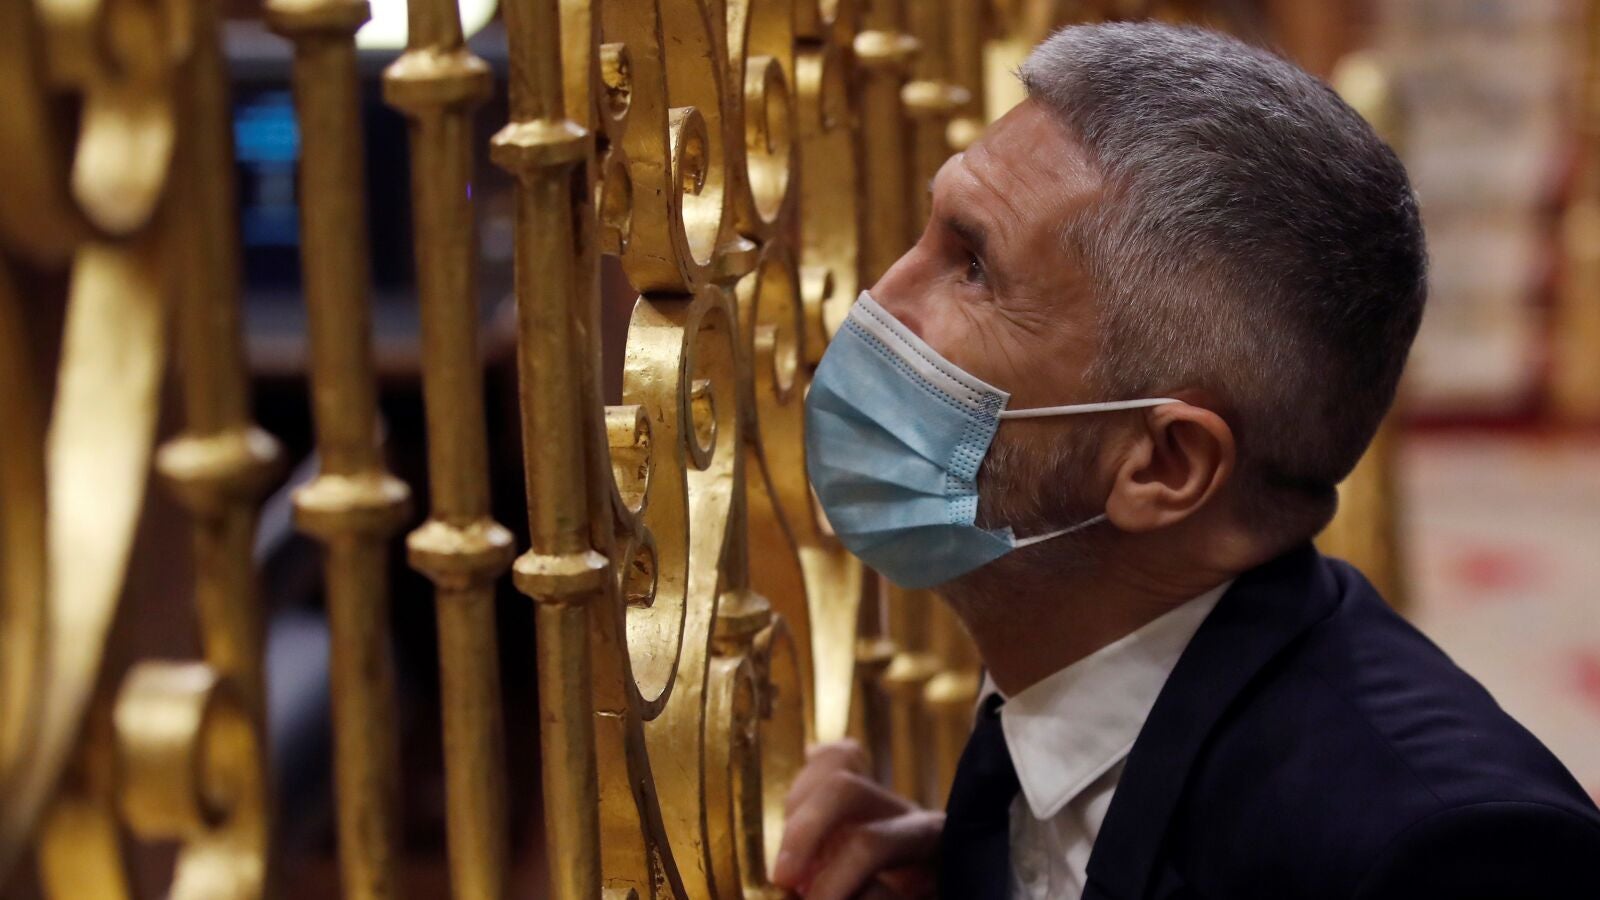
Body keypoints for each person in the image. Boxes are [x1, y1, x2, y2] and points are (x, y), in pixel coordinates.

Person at [775, 22, 1600, 900]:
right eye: (929, 235)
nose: (879, 301)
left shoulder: (1443, 860)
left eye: (974, 268)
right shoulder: (1057, 688)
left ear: (1164, 464)